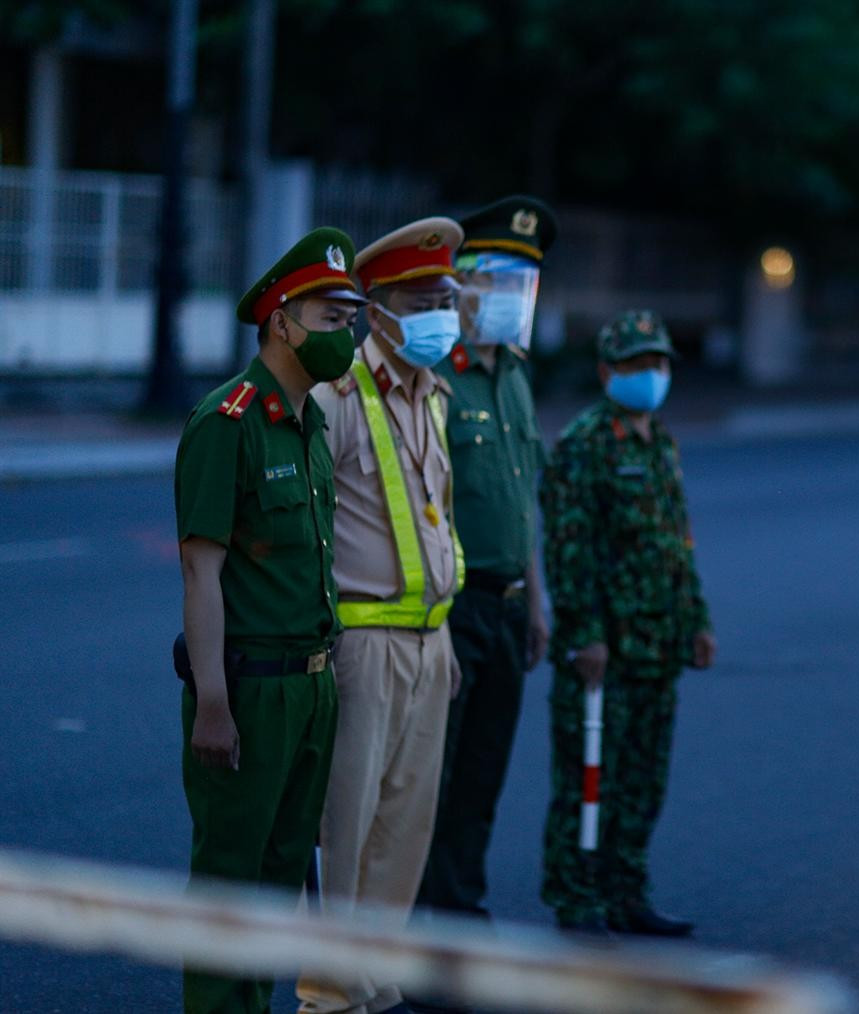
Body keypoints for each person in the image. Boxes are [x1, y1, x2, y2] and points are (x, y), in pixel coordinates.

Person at [174, 227, 364, 1013]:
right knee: (232, 885)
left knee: (281, 881)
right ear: (281, 322)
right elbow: (201, 571)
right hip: (250, 691)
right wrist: (213, 705)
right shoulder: (229, 421)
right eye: (330, 318)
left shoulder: (311, 425)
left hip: (311, 686)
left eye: (350, 318)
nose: (346, 334)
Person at [296, 219, 466, 1014]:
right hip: (361, 646)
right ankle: (329, 996)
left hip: (428, 643)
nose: (442, 316)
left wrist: (444, 633)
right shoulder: (335, 400)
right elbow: (303, 534)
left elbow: (437, 522)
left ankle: (375, 985)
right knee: (346, 827)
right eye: (424, 302)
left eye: (447, 300)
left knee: (405, 827)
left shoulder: (434, 397)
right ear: (382, 310)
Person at [539, 310, 715, 937]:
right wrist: (585, 633)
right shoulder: (585, 443)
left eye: (659, 361)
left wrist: (697, 620)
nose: (651, 373)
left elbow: (677, 540)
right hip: (604, 649)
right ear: (606, 371)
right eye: (638, 363)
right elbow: (568, 548)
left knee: (643, 779)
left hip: (658, 644)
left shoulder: (659, 440)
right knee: (589, 778)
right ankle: (576, 897)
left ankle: (626, 891)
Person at [416, 196, 557, 922]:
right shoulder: (439, 373)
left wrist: (535, 601)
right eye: (496, 277)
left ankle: (459, 912)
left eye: (521, 282)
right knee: (430, 776)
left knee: (483, 774)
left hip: (507, 606)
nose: (509, 295)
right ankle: (415, 922)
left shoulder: (515, 375)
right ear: (461, 282)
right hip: (454, 604)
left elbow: (519, 496)